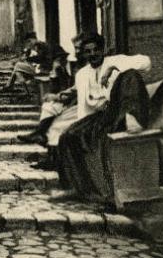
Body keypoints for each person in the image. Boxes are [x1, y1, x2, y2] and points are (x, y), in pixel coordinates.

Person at [56, 32, 151, 202]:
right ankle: (77, 188)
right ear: (83, 54)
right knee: (67, 136)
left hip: (118, 109)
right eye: (88, 51)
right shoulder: (82, 74)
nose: (92, 54)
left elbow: (146, 62)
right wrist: (82, 128)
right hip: (100, 116)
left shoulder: (116, 60)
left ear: (102, 50)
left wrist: (112, 68)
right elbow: (84, 108)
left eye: (96, 50)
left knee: (130, 75)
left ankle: (132, 117)